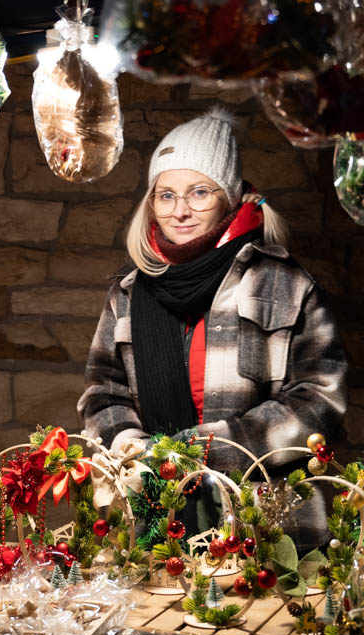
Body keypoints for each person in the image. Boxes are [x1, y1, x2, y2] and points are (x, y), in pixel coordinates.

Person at [77, 107, 347, 544]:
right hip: (157, 522)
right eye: (166, 195)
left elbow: (320, 400)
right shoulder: (129, 295)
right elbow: (103, 391)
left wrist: (208, 449)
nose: (180, 210)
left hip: (269, 531)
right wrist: (134, 448)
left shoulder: (284, 284)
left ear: (230, 196)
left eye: (199, 192)